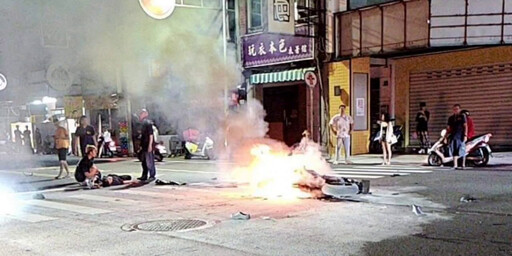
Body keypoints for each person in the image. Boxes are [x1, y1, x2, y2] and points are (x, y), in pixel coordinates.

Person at [137, 109, 156, 182]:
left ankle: (152, 175)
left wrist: (150, 145)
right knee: (144, 162)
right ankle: (144, 175)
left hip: (148, 145)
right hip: (144, 145)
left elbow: (151, 135)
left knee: (149, 161)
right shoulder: (142, 123)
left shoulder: (148, 123)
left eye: (142, 113)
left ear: (146, 114)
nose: (140, 115)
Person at [447, 104, 468, 170]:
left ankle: (463, 165)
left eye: (457, 109)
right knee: (454, 151)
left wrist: (465, 135)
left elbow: (465, 126)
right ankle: (455, 165)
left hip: (460, 136)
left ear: (460, 109)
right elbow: (448, 128)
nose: (455, 110)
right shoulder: (451, 118)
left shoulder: (462, 116)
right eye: (454, 109)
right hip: (453, 136)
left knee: (462, 150)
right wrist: (446, 136)